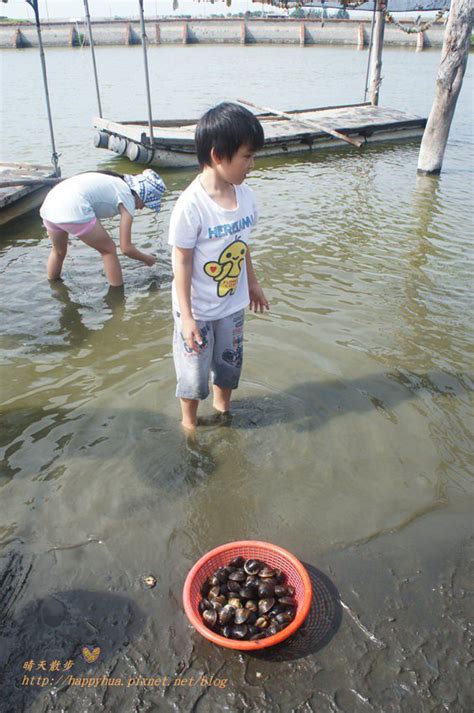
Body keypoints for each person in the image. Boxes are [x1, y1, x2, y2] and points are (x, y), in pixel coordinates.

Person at [168, 102, 269, 431]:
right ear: (217, 156)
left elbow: (242, 246)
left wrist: (252, 283)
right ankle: (190, 425)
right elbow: (180, 262)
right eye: (246, 157)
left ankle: (223, 411)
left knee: (229, 365)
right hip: (197, 308)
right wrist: (187, 318)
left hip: (232, 305)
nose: (252, 165)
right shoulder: (190, 206)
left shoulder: (246, 197)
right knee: (193, 373)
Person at [40, 169, 166, 286]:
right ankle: (118, 300)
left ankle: (53, 287)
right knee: (109, 250)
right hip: (72, 207)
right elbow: (126, 248)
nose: (142, 208)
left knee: (58, 251)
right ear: (140, 194)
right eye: (146, 203)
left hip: (50, 206)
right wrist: (147, 259)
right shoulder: (128, 196)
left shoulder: (116, 182)